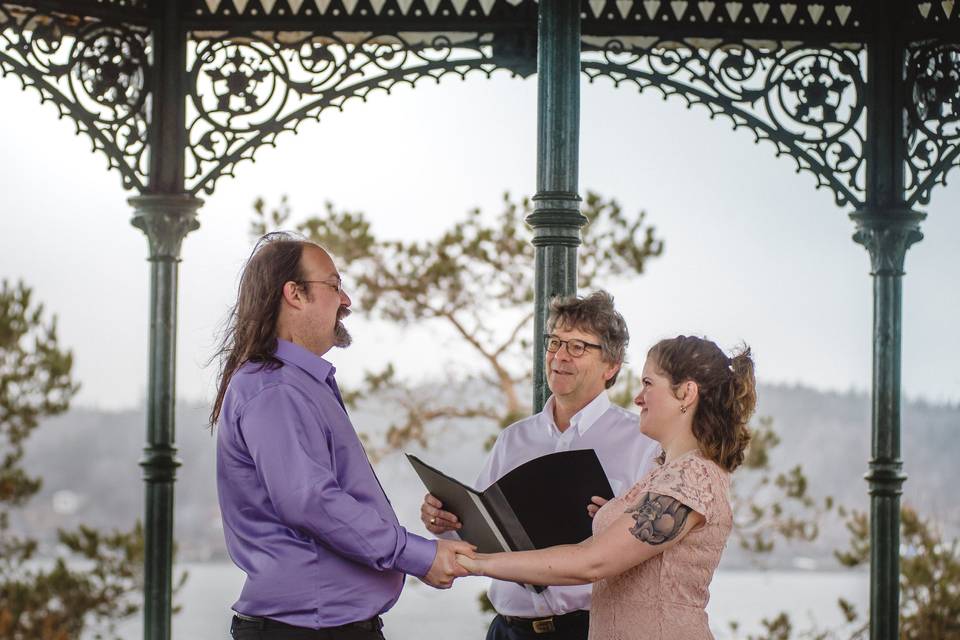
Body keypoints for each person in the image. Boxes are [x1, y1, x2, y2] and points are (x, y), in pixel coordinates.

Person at [211, 232, 476, 640]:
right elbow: (311, 501)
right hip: (308, 631)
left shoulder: (295, 383)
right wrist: (417, 555)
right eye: (334, 286)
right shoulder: (277, 389)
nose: (346, 300)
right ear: (294, 294)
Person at [456, 335, 757, 640]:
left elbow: (592, 561)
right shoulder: (665, 473)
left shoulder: (691, 477)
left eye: (649, 384)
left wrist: (478, 562)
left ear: (686, 393)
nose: (639, 398)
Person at [420, 291, 660, 640]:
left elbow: (651, 548)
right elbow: (479, 531)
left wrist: (613, 520)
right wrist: (442, 521)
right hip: (507, 629)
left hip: (589, 629)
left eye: (577, 347)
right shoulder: (514, 439)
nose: (559, 356)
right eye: (554, 343)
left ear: (611, 364)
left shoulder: (641, 441)